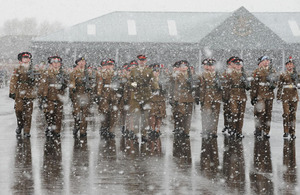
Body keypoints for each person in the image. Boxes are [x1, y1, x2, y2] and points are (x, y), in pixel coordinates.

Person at [127, 55, 159, 142]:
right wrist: (135, 85)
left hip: (146, 95)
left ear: (146, 61)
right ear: (138, 61)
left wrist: (156, 88)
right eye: (140, 60)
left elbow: (153, 80)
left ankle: (144, 134)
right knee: (136, 116)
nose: (142, 62)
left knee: (145, 116)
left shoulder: (149, 70)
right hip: (136, 94)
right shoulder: (133, 70)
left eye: (143, 60)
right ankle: (137, 134)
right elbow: (129, 81)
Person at [39, 56, 68, 137]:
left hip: (59, 97)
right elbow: (43, 85)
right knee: (49, 113)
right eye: (54, 63)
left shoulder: (63, 73)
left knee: (59, 115)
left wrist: (64, 83)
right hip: (49, 96)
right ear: (51, 64)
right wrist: (43, 96)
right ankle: (50, 126)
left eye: (58, 63)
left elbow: (67, 83)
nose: (56, 64)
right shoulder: (47, 73)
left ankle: (57, 131)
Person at [9, 52, 36, 137]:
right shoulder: (17, 68)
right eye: (24, 58)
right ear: (21, 60)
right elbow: (13, 80)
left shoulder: (33, 69)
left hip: (29, 93)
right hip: (19, 93)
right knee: (18, 110)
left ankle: (27, 131)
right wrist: (12, 92)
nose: (26, 59)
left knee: (28, 113)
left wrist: (34, 78)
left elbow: (39, 81)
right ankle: (20, 125)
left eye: (27, 58)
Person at [250, 56, 277, 138]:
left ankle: (266, 131)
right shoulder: (257, 71)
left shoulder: (272, 71)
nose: (266, 62)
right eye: (264, 60)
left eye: (267, 60)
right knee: (260, 112)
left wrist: (272, 82)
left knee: (268, 114)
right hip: (260, 94)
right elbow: (254, 85)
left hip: (269, 94)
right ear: (261, 62)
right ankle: (258, 129)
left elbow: (276, 81)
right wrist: (253, 97)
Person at [223, 58, 249, 138]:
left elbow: (248, 86)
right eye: (236, 64)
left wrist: (246, 82)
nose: (238, 66)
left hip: (242, 95)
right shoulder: (229, 73)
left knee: (241, 115)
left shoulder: (244, 74)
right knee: (234, 113)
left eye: (240, 64)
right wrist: (226, 97)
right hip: (233, 95)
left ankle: (239, 131)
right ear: (233, 65)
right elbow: (226, 86)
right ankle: (233, 129)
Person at [196, 58, 222, 138]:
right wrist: (198, 97)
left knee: (215, 114)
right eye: (207, 65)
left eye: (211, 65)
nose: (209, 67)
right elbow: (198, 87)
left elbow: (223, 86)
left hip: (216, 96)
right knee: (206, 114)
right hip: (206, 96)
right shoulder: (201, 75)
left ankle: (213, 131)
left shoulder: (218, 75)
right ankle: (205, 130)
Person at [169, 60, 195, 137]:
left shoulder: (191, 75)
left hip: (189, 97)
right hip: (179, 97)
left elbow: (196, 86)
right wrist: (172, 98)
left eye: (185, 66)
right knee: (180, 114)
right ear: (179, 68)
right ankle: (180, 129)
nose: (184, 68)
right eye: (182, 67)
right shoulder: (176, 75)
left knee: (188, 115)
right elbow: (172, 87)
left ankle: (186, 131)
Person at [96, 59, 120, 138]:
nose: (110, 66)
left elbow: (120, 84)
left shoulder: (116, 74)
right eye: (108, 65)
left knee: (113, 114)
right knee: (104, 112)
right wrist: (99, 94)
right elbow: (99, 84)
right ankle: (104, 128)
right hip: (105, 95)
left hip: (114, 95)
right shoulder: (101, 73)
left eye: (111, 65)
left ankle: (111, 130)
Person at [276, 56, 299, 139]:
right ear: (286, 66)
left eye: (291, 64)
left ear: (293, 66)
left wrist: (297, 82)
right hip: (285, 96)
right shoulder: (283, 74)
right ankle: (286, 131)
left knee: (293, 115)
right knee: (286, 114)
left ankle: (292, 132)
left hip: (294, 96)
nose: (290, 66)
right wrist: (278, 97)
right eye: (288, 64)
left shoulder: (297, 74)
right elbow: (280, 86)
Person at [69, 57, 91, 137]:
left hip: (85, 94)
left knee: (85, 113)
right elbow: (72, 82)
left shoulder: (88, 72)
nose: (82, 63)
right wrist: (72, 91)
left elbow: (93, 81)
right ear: (77, 63)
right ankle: (77, 124)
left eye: (83, 61)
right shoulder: (74, 72)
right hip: (77, 94)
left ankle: (83, 130)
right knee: (76, 112)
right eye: (80, 62)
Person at [148, 63, 167, 139]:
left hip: (160, 100)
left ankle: (157, 130)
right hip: (152, 100)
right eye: (154, 71)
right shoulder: (149, 80)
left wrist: (162, 86)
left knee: (160, 115)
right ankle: (152, 129)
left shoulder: (162, 79)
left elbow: (166, 90)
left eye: (157, 71)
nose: (156, 73)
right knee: (152, 115)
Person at [221, 56, 237, 134]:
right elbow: (224, 84)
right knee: (227, 111)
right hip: (226, 94)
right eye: (232, 63)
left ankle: (233, 126)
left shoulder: (238, 72)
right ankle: (227, 125)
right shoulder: (225, 73)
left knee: (233, 112)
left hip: (234, 94)